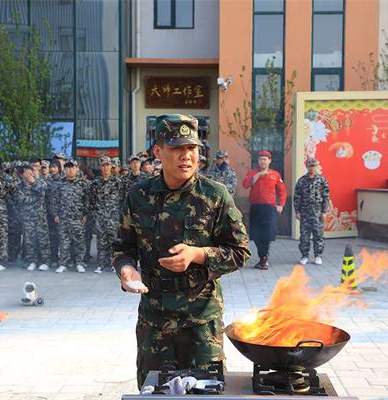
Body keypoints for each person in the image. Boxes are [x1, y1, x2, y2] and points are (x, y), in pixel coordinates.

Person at [112, 114, 250, 388]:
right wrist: (126, 270)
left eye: (192, 148)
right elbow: (122, 247)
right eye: (176, 148)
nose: (186, 156)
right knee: (154, 391)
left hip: (201, 320)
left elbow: (240, 251)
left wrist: (196, 255)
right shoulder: (139, 195)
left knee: (207, 392)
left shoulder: (214, 195)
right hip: (155, 319)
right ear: (158, 151)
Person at [242, 150, 286, 270]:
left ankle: (264, 258)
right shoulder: (252, 173)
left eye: (265, 159)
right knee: (256, 235)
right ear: (258, 161)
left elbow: (282, 191)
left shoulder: (275, 174)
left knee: (267, 235)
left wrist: (281, 205)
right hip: (256, 208)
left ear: (269, 161)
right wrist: (258, 175)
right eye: (261, 159)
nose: (263, 161)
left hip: (269, 209)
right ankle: (262, 257)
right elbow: (245, 185)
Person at [54, 159, 89, 273]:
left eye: (72, 167)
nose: (70, 170)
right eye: (68, 167)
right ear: (64, 169)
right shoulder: (60, 184)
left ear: (76, 169)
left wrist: (85, 215)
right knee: (64, 242)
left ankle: (79, 263)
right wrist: (56, 214)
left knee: (79, 241)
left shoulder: (83, 184)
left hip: (78, 218)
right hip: (63, 218)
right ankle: (63, 263)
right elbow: (56, 200)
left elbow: (87, 201)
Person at [90, 157, 124, 274]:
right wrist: (96, 214)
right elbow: (92, 200)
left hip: (113, 217)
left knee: (113, 242)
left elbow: (122, 199)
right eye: (103, 165)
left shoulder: (118, 182)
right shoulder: (95, 183)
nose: (105, 167)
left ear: (111, 167)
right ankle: (101, 265)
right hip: (100, 217)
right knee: (101, 241)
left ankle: (114, 264)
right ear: (100, 167)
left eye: (107, 165)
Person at [293, 157, 330, 265]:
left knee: (318, 235)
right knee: (304, 235)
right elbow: (297, 197)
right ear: (307, 166)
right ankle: (305, 255)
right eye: (310, 166)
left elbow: (326, 196)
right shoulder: (301, 181)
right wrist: (297, 211)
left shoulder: (322, 180)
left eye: (314, 166)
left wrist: (324, 211)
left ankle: (318, 255)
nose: (312, 168)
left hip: (318, 213)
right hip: (305, 213)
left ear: (316, 167)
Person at [17, 164, 51, 271]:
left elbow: (42, 192)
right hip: (27, 217)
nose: (28, 174)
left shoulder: (40, 181)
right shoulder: (20, 185)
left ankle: (46, 261)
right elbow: (21, 199)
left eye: (30, 172)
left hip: (40, 216)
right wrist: (35, 198)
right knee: (29, 241)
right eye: (26, 172)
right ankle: (32, 261)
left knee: (43, 240)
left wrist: (33, 181)